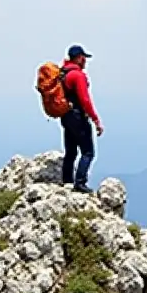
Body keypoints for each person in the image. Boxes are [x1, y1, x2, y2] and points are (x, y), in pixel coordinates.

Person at [60, 44, 104, 193]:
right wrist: (96, 120)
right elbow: (85, 100)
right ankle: (80, 182)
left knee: (71, 152)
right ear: (78, 58)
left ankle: (66, 180)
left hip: (66, 116)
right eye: (84, 57)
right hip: (78, 118)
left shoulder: (64, 73)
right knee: (88, 152)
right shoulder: (77, 75)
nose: (85, 60)